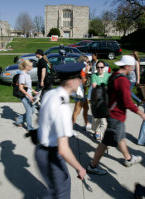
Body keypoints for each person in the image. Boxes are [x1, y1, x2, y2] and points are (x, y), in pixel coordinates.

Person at [87, 55, 145, 175]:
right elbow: (127, 102)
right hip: (116, 116)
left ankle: (128, 158)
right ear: (126, 66)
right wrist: (140, 113)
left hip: (113, 114)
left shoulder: (114, 76)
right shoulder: (123, 80)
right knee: (105, 143)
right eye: (131, 67)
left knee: (120, 138)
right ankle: (93, 166)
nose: (132, 69)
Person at [35, 62, 86, 199]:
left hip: (41, 150)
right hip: (51, 154)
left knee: (56, 188)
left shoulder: (50, 93)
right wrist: (80, 168)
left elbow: (39, 119)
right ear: (71, 82)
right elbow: (63, 149)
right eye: (79, 78)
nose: (81, 81)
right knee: (60, 192)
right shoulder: (64, 108)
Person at [15, 60, 38, 131]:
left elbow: (27, 86)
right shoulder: (22, 75)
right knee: (29, 111)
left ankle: (19, 120)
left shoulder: (27, 75)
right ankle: (30, 127)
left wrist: (34, 91)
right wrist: (29, 95)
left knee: (33, 110)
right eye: (31, 66)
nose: (32, 67)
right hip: (25, 96)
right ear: (26, 67)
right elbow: (21, 88)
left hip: (29, 95)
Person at [91, 60, 111, 140]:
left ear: (104, 67)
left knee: (104, 123)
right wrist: (105, 87)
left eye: (101, 67)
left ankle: (103, 142)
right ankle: (96, 131)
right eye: (98, 67)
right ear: (96, 68)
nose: (100, 69)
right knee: (95, 120)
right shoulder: (94, 76)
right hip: (96, 102)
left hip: (105, 102)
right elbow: (94, 87)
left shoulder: (108, 76)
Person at [72, 55, 92, 131]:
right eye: (88, 62)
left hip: (83, 93)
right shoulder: (82, 70)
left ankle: (87, 124)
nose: (89, 64)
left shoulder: (82, 69)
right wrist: (87, 73)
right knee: (76, 111)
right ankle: (70, 128)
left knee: (86, 108)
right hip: (80, 94)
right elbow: (84, 82)